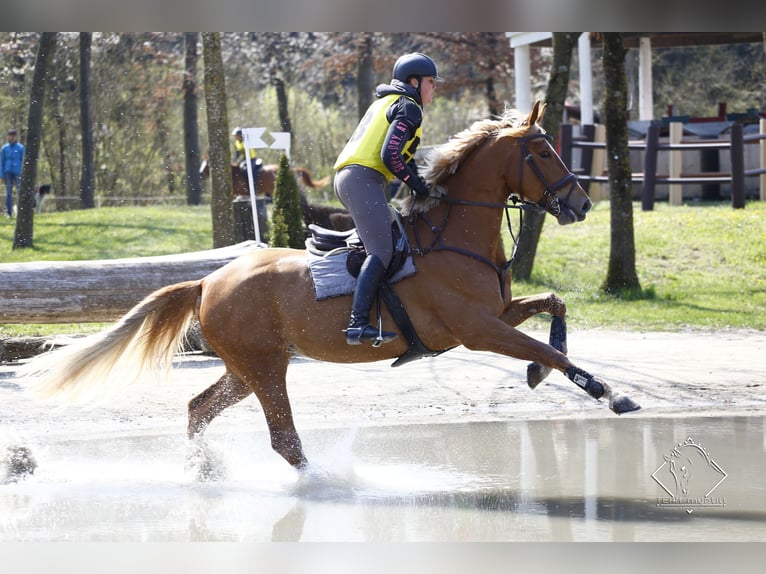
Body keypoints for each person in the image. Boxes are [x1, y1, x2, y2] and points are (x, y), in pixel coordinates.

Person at [333, 52, 443, 346]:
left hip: (357, 179)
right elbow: (391, 155)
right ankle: (357, 324)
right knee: (381, 251)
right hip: (362, 180)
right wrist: (418, 185)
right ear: (414, 81)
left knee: (391, 241)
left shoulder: (389, 101)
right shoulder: (408, 106)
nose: (434, 87)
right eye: (431, 82)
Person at [1, 128, 24, 218]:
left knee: (19, 192)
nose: (12, 137)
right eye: (10, 135)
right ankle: (9, 212)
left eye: (13, 135)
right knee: (9, 193)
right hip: (7, 173)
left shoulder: (21, 148)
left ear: (16, 136)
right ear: (8, 136)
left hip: (18, 172)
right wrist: (2, 175)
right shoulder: (4, 148)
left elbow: (23, 161)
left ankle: (20, 212)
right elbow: (1, 162)